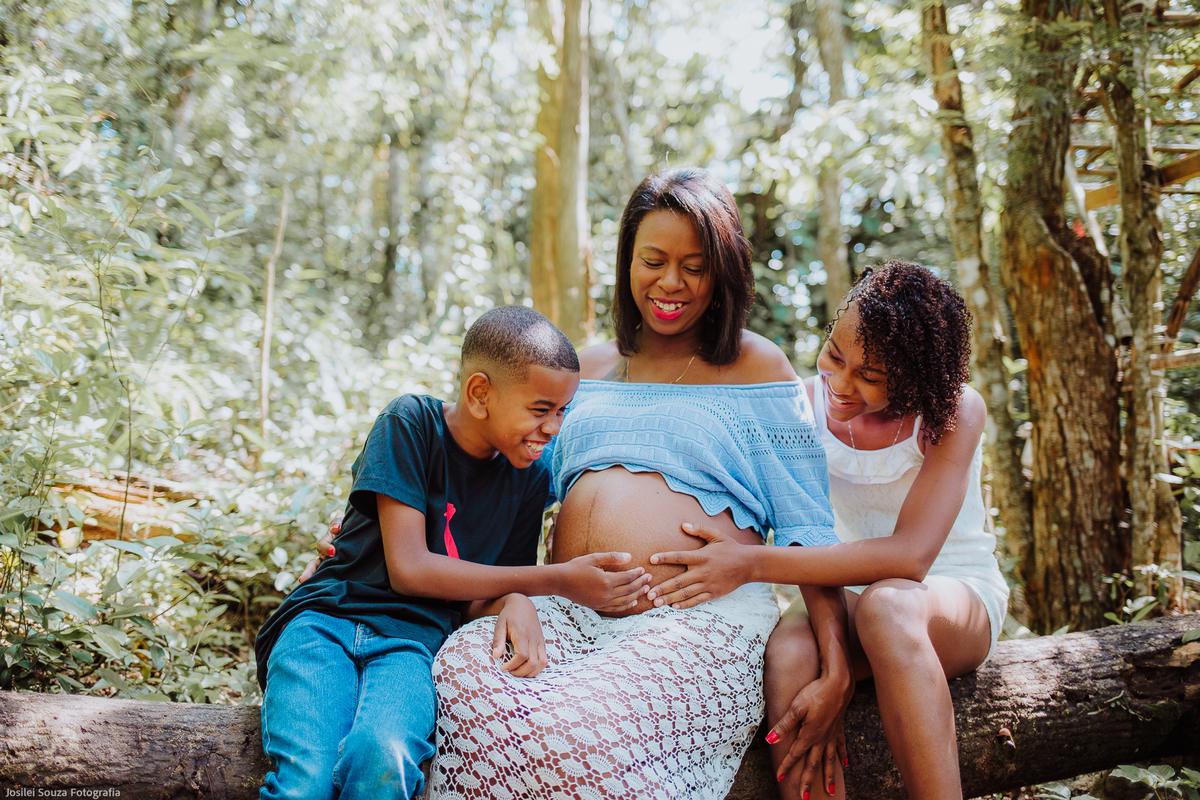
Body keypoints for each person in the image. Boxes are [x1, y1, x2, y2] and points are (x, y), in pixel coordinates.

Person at [421, 167, 846, 800]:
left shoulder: (757, 366)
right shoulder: (584, 369)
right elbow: (489, 477)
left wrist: (836, 667)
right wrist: (383, 522)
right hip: (564, 611)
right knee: (458, 675)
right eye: (653, 261)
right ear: (626, 262)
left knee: (584, 738)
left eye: (694, 267)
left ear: (723, 273)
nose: (670, 283)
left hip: (693, 621)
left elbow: (808, 527)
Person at [254, 306, 653, 800]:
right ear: (480, 394)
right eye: (540, 409)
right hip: (325, 623)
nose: (554, 427)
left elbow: (481, 592)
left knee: (382, 758)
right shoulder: (410, 423)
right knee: (308, 779)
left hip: (412, 646)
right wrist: (554, 580)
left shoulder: (530, 479)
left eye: (562, 411)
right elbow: (409, 570)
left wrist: (514, 598)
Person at [645, 261, 1010, 800]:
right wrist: (834, 670)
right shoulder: (798, 407)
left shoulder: (952, 412)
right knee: (790, 655)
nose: (840, 384)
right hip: (843, 596)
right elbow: (797, 526)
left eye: (871, 377)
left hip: (949, 597)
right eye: (835, 356)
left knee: (889, 606)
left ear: (914, 379)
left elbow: (910, 558)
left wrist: (751, 563)